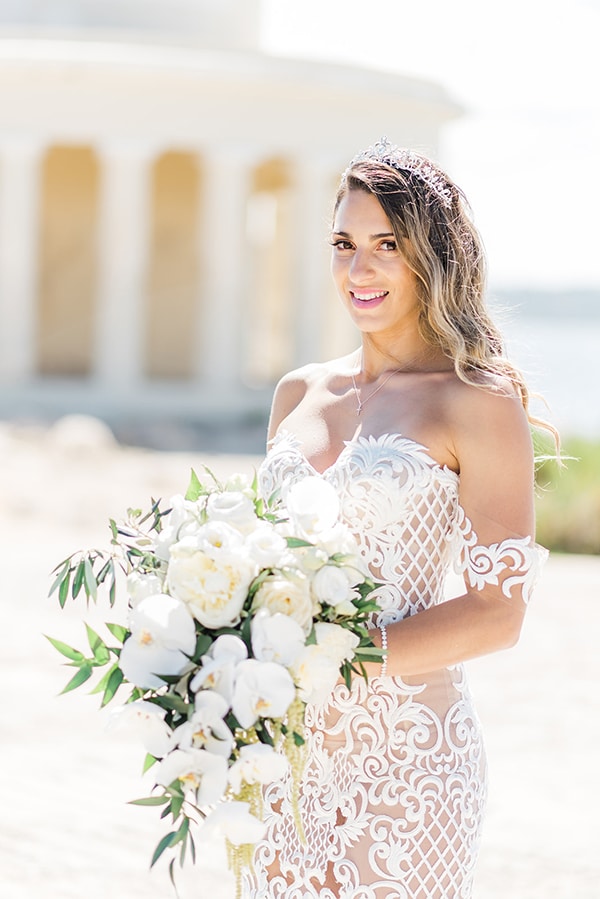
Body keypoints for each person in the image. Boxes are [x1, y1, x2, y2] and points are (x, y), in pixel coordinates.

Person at [243, 138, 553, 898]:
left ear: (432, 257)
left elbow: (497, 614)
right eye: (345, 244)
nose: (360, 268)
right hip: (283, 760)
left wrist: (338, 657)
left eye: (388, 245)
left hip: (412, 768)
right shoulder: (297, 393)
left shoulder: (476, 402)